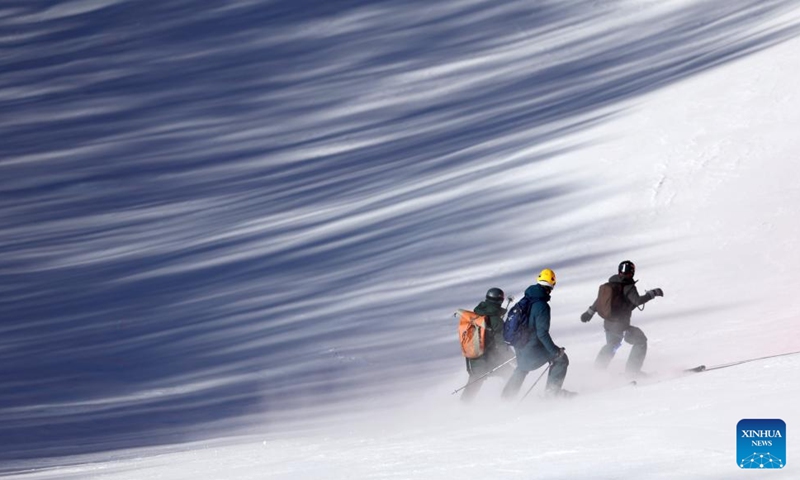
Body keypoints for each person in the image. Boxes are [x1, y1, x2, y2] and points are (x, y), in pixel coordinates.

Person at [580, 260, 663, 378]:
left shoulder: (611, 284)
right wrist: (652, 293)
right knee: (640, 340)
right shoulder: (628, 286)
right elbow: (637, 301)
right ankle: (632, 372)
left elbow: (600, 300)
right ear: (632, 273)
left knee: (612, 344)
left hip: (608, 324)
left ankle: (597, 371)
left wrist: (589, 312)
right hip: (620, 325)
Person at [501, 269, 574, 399]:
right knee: (562, 359)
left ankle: (506, 397)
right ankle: (552, 394)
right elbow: (542, 334)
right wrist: (556, 351)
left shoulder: (526, 300)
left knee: (522, 367)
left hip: (519, 345)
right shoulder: (542, 306)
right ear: (552, 285)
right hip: (531, 347)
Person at [461, 287, 515, 402]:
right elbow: (501, 345)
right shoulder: (496, 321)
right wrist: (512, 358)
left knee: (475, 382)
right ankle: (511, 399)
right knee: (511, 374)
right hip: (487, 358)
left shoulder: (477, 313)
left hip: (473, 357)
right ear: (500, 301)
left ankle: (462, 407)